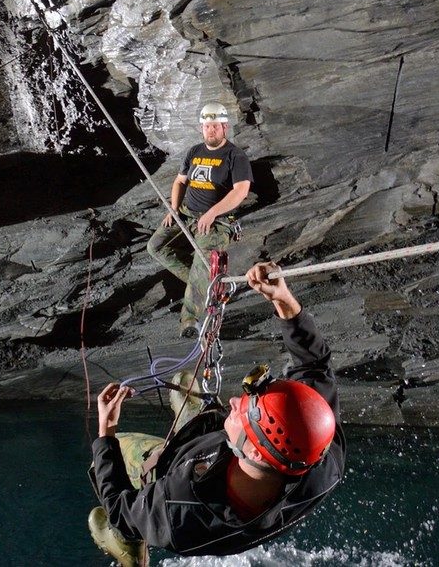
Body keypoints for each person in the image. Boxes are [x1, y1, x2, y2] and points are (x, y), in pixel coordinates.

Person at [87, 262, 345, 564]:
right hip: (220, 453)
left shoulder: (178, 505)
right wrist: (282, 298)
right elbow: (314, 365)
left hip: (177, 477)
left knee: (107, 461)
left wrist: (106, 431)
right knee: (200, 401)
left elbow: (120, 509)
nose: (235, 401)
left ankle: (130, 546)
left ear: (255, 452)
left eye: (245, 412)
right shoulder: (322, 452)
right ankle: (198, 421)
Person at [147, 103, 253, 337]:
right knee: (156, 247)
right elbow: (179, 181)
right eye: (207, 126)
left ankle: (190, 320)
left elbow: (240, 191)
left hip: (216, 223)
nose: (211, 130)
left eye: (215, 126)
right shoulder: (194, 151)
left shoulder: (235, 156)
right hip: (187, 213)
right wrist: (174, 209)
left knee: (201, 266)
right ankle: (205, 285)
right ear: (201, 128)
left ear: (224, 127)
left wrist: (212, 212)